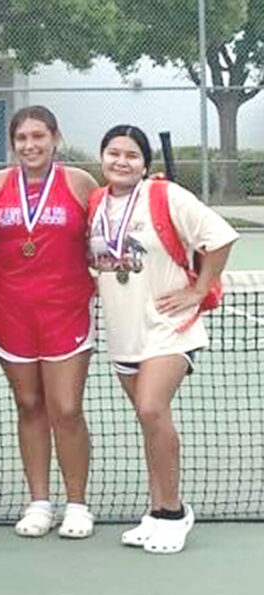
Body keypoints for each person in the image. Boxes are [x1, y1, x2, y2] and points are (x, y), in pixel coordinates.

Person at [88, 125, 236, 554]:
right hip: (123, 333)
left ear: (144, 164)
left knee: (152, 407)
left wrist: (199, 289)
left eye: (131, 155)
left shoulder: (166, 195)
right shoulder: (96, 204)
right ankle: (155, 512)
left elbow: (220, 236)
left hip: (170, 329)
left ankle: (173, 512)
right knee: (148, 420)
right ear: (102, 158)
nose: (121, 161)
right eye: (113, 153)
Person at [0, 106, 99, 539]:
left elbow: (100, 237)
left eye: (38, 136)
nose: (30, 145)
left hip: (66, 309)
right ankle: (39, 503)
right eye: (22, 138)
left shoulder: (80, 183)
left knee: (66, 408)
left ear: (55, 138)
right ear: (13, 143)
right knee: (29, 405)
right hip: (9, 310)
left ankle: (78, 505)